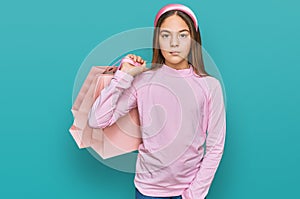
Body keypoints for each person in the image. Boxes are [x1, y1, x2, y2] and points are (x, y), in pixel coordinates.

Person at [88, 3, 226, 199]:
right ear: (157, 39)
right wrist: (122, 77)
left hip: (189, 191)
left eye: (183, 35)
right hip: (147, 191)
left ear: (194, 39)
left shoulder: (210, 86)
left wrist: (193, 195)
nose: (174, 43)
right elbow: (96, 120)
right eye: (166, 35)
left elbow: (215, 147)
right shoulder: (143, 81)